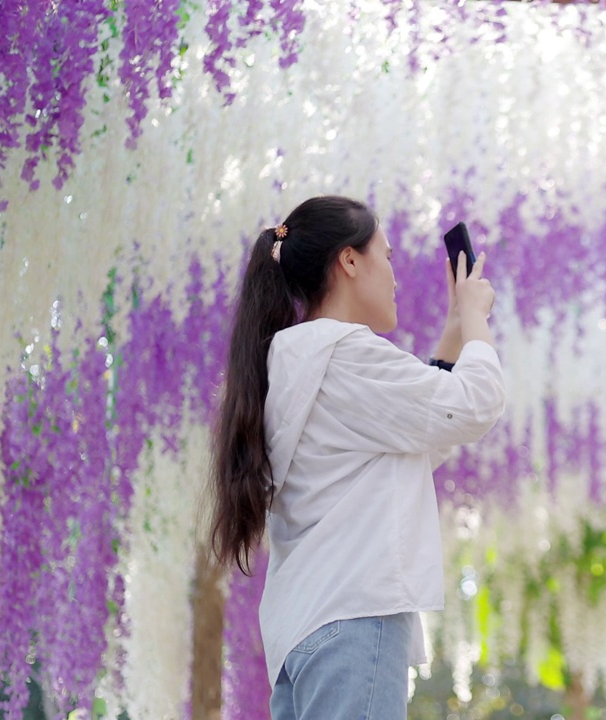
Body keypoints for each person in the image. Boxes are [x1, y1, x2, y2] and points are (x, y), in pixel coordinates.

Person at [210, 195, 505, 720]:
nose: (394, 276)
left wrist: (456, 332)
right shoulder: (347, 352)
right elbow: (473, 405)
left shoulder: (289, 360)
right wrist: (478, 319)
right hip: (354, 617)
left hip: (303, 629)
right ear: (349, 261)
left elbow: (418, 438)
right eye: (386, 257)